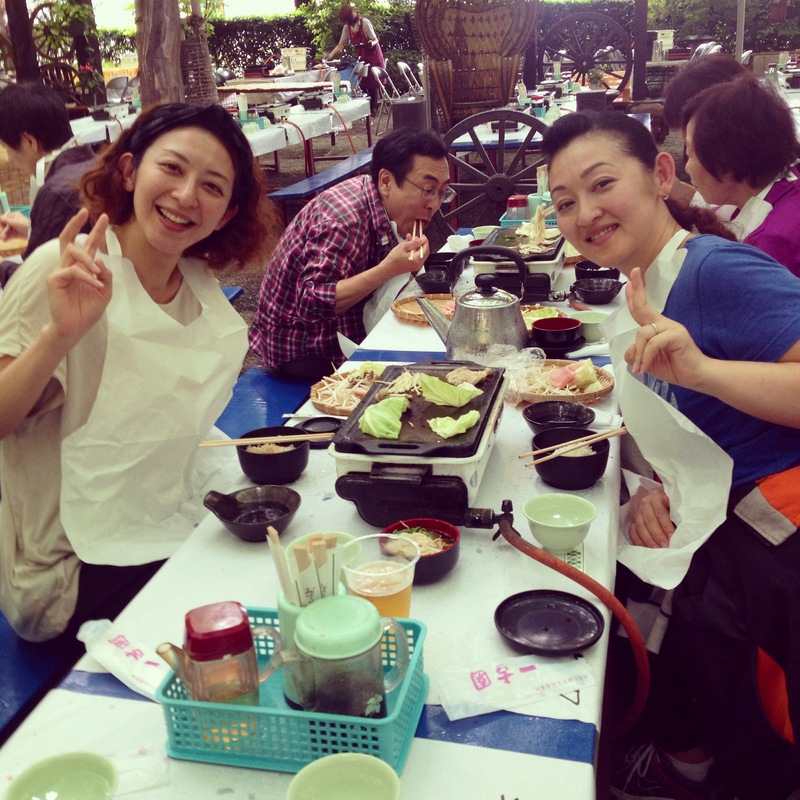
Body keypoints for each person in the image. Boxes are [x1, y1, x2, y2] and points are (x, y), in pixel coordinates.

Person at [543, 111, 800, 800]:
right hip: (724, 532)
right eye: (565, 202)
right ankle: (687, 760)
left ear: (661, 174)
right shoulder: (647, 283)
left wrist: (706, 373)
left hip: (775, 544)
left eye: (602, 184)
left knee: (768, 747)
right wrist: (657, 484)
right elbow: (688, 422)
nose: (585, 214)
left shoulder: (714, 272)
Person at [0, 102, 273, 647]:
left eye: (212, 186)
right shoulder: (65, 268)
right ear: (129, 171)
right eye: (171, 168)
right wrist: (59, 335)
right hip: (68, 570)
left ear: (225, 214)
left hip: (159, 515)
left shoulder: (195, 283)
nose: (186, 195)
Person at [249, 127, 452, 379]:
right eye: (428, 189)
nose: (434, 204)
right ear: (386, 182)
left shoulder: (379, 202)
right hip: (301, 348)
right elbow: (311, 303)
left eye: (442, 192)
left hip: (340, 328)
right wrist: (389, 269)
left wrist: (403, 264)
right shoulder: (344, 220)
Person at [681, 74, 800, 277]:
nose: (686, 168)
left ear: (725, 162)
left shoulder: (768, 245)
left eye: (691, 155)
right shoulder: (784, 180)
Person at [0, 82, 96, 287]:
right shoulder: (93, 162)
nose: (9, 158)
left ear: (29, 142)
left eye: (7, 148)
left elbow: (32, 284)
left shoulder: (57, 193)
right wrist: (33, 228)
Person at [326, 4, 385, 115]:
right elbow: (341, 45)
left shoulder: (365, 23)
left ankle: (374, 107)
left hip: (374, 56)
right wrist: (330, 55)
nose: (346, 23)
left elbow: (375, 39)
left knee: (373, 82)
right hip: (362, 57)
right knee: (362, 82)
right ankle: (368, 107)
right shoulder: (347, 27)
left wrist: (371, 43)